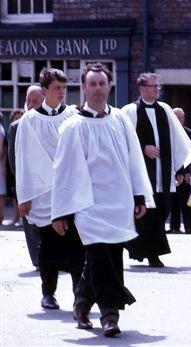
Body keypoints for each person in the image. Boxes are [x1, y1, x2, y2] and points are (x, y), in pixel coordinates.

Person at [50, 63, 155, 337]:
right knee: (98, 255)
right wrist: (60, 212)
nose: (97, 88)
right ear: (84, 88)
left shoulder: (120, 120)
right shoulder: (73, 126)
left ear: (109, 86)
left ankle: (82, 302)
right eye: (92, 84)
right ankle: (110, 314)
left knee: (110, 255)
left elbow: (134, 158)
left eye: (102, 83)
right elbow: (63, 171)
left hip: (118, 201)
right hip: (88, 205)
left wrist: (139, 195)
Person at [15, 69, 84, 310]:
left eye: (64, 88)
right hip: (44, 194)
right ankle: (48, 293)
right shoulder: (29, 120)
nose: (62, 92)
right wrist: (24, 196)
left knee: (76, 244)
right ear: (44, 90)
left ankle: (79, 295)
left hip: (72, 190)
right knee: (49, 246)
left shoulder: (74, 116)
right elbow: (24, 160)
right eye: (57, 88)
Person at [122, 73, 191, 267]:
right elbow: (123, 140)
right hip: (143, 172)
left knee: (162, 210)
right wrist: (144, 147)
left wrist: (180, 168)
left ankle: (141, 249)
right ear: (141, 88)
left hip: (163, 172)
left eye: (158, 86)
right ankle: (153, 255)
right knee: (147, 212)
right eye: (153, 86)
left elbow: (177, 139)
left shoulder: (165, 109)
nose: (157, 89)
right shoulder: (130, 111)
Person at [7, 87, 43, 267]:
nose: (29, 105)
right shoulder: (16, 126)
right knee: (30, 223)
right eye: (28, 100)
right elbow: (13, 160)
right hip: (27, 183)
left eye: (34, 101)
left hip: (49, 184)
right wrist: (23, 184)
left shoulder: (50, 122)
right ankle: (37, 260)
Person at [169, 108, 191, 234]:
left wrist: (188, 172)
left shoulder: (189, 133)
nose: (180, 119)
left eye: (181, 117)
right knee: (173, 200)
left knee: (186, 200)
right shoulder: (167, 132)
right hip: (171, 170)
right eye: (177, 117)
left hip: (185, 170)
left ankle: (189, 226)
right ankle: (174, 226)